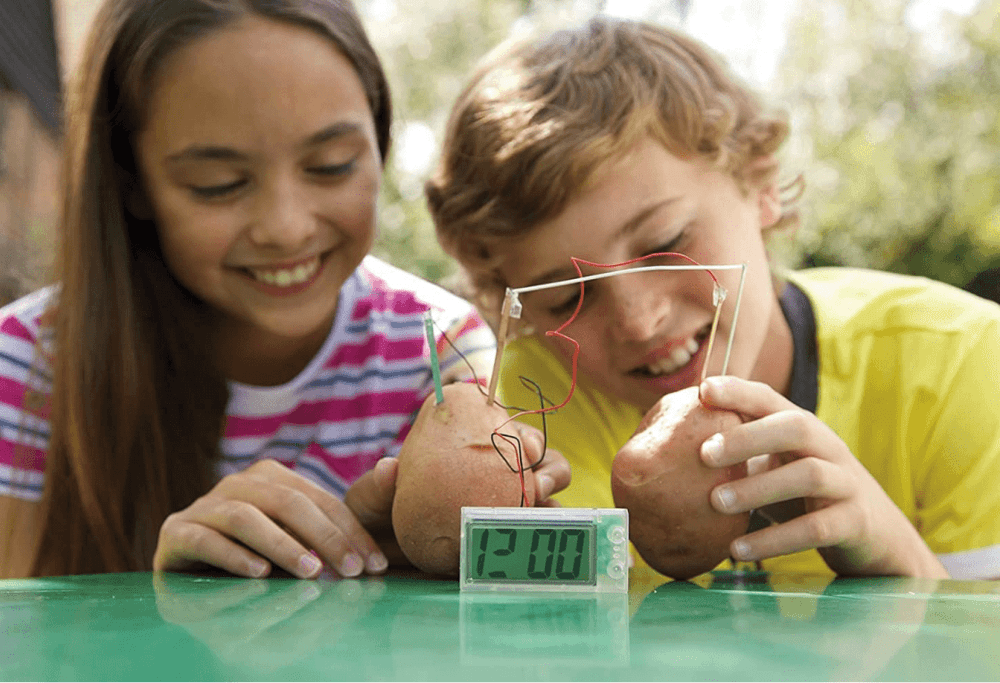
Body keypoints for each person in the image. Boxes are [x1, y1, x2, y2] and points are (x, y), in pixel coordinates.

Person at [0, 0, 570, 581]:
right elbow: (23, 648)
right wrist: (163, 598)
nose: (286, 227)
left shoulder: (439, 349)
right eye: (219, 184)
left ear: (380, 141)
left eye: (332, 164)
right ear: (132, 183)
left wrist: (384, 557)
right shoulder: (30, 370)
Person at [426, 16, 1000, 579]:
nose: (639, 320)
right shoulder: (539, 404)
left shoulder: (965, 365)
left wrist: (895, 555)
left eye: (664, 242)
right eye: (567, 298)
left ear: (760, 184)